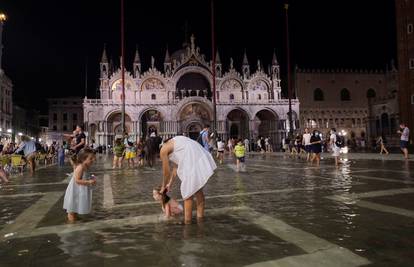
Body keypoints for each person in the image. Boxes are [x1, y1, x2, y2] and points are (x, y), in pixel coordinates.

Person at [159, 136, 217, 224]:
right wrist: (170, 183)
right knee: (197, 190)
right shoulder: (173, 142)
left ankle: (188, 222)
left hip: (191, 157)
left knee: (187, 194)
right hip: (198, 153)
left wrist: (163, 186)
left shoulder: (163, 149)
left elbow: (166, 172)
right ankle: (200, 219)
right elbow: (176, 167)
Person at [63, 148, 96, 222]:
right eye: (91, 158)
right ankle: (71, 223)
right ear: (83, 159)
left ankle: (74, 219)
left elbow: (86, 176)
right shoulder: (80, 167)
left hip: (80, 190)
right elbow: (77, 180)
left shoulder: (86, 166)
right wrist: (89, 182)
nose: (93, 160)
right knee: (72, 208)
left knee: (76, 206)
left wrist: (92, 177)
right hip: (75, 190)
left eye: (94, 158)